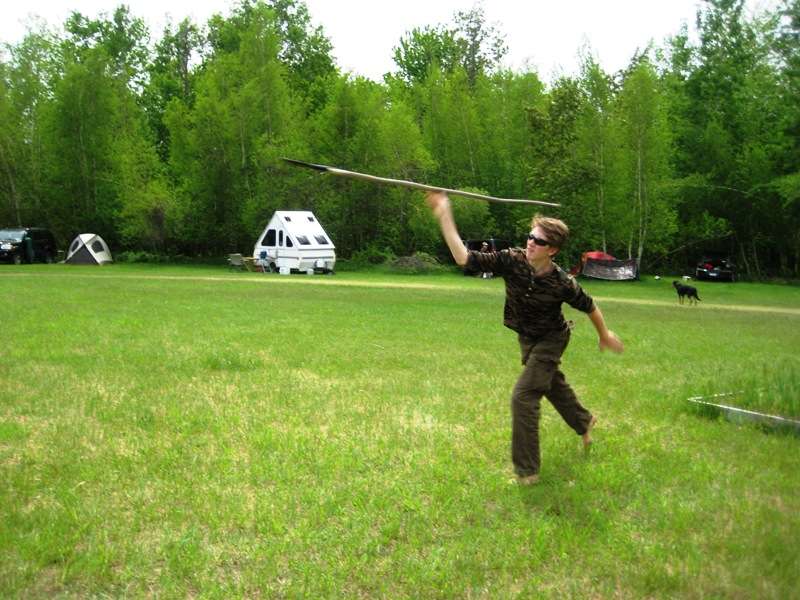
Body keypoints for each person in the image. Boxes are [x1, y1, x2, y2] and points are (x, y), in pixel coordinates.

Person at [426, 191, 624, 485]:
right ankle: (584, 421)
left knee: (524, 396)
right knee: (551, 384)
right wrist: (445, 214)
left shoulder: (562, 282)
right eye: (530, 237)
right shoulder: (512, 259)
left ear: (552, 250)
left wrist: (604, 335)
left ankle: (527, 472)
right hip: (527, 337)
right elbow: (464, 258)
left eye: (539, 241)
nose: (531, 242)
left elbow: (589, 306)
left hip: (552, 338)